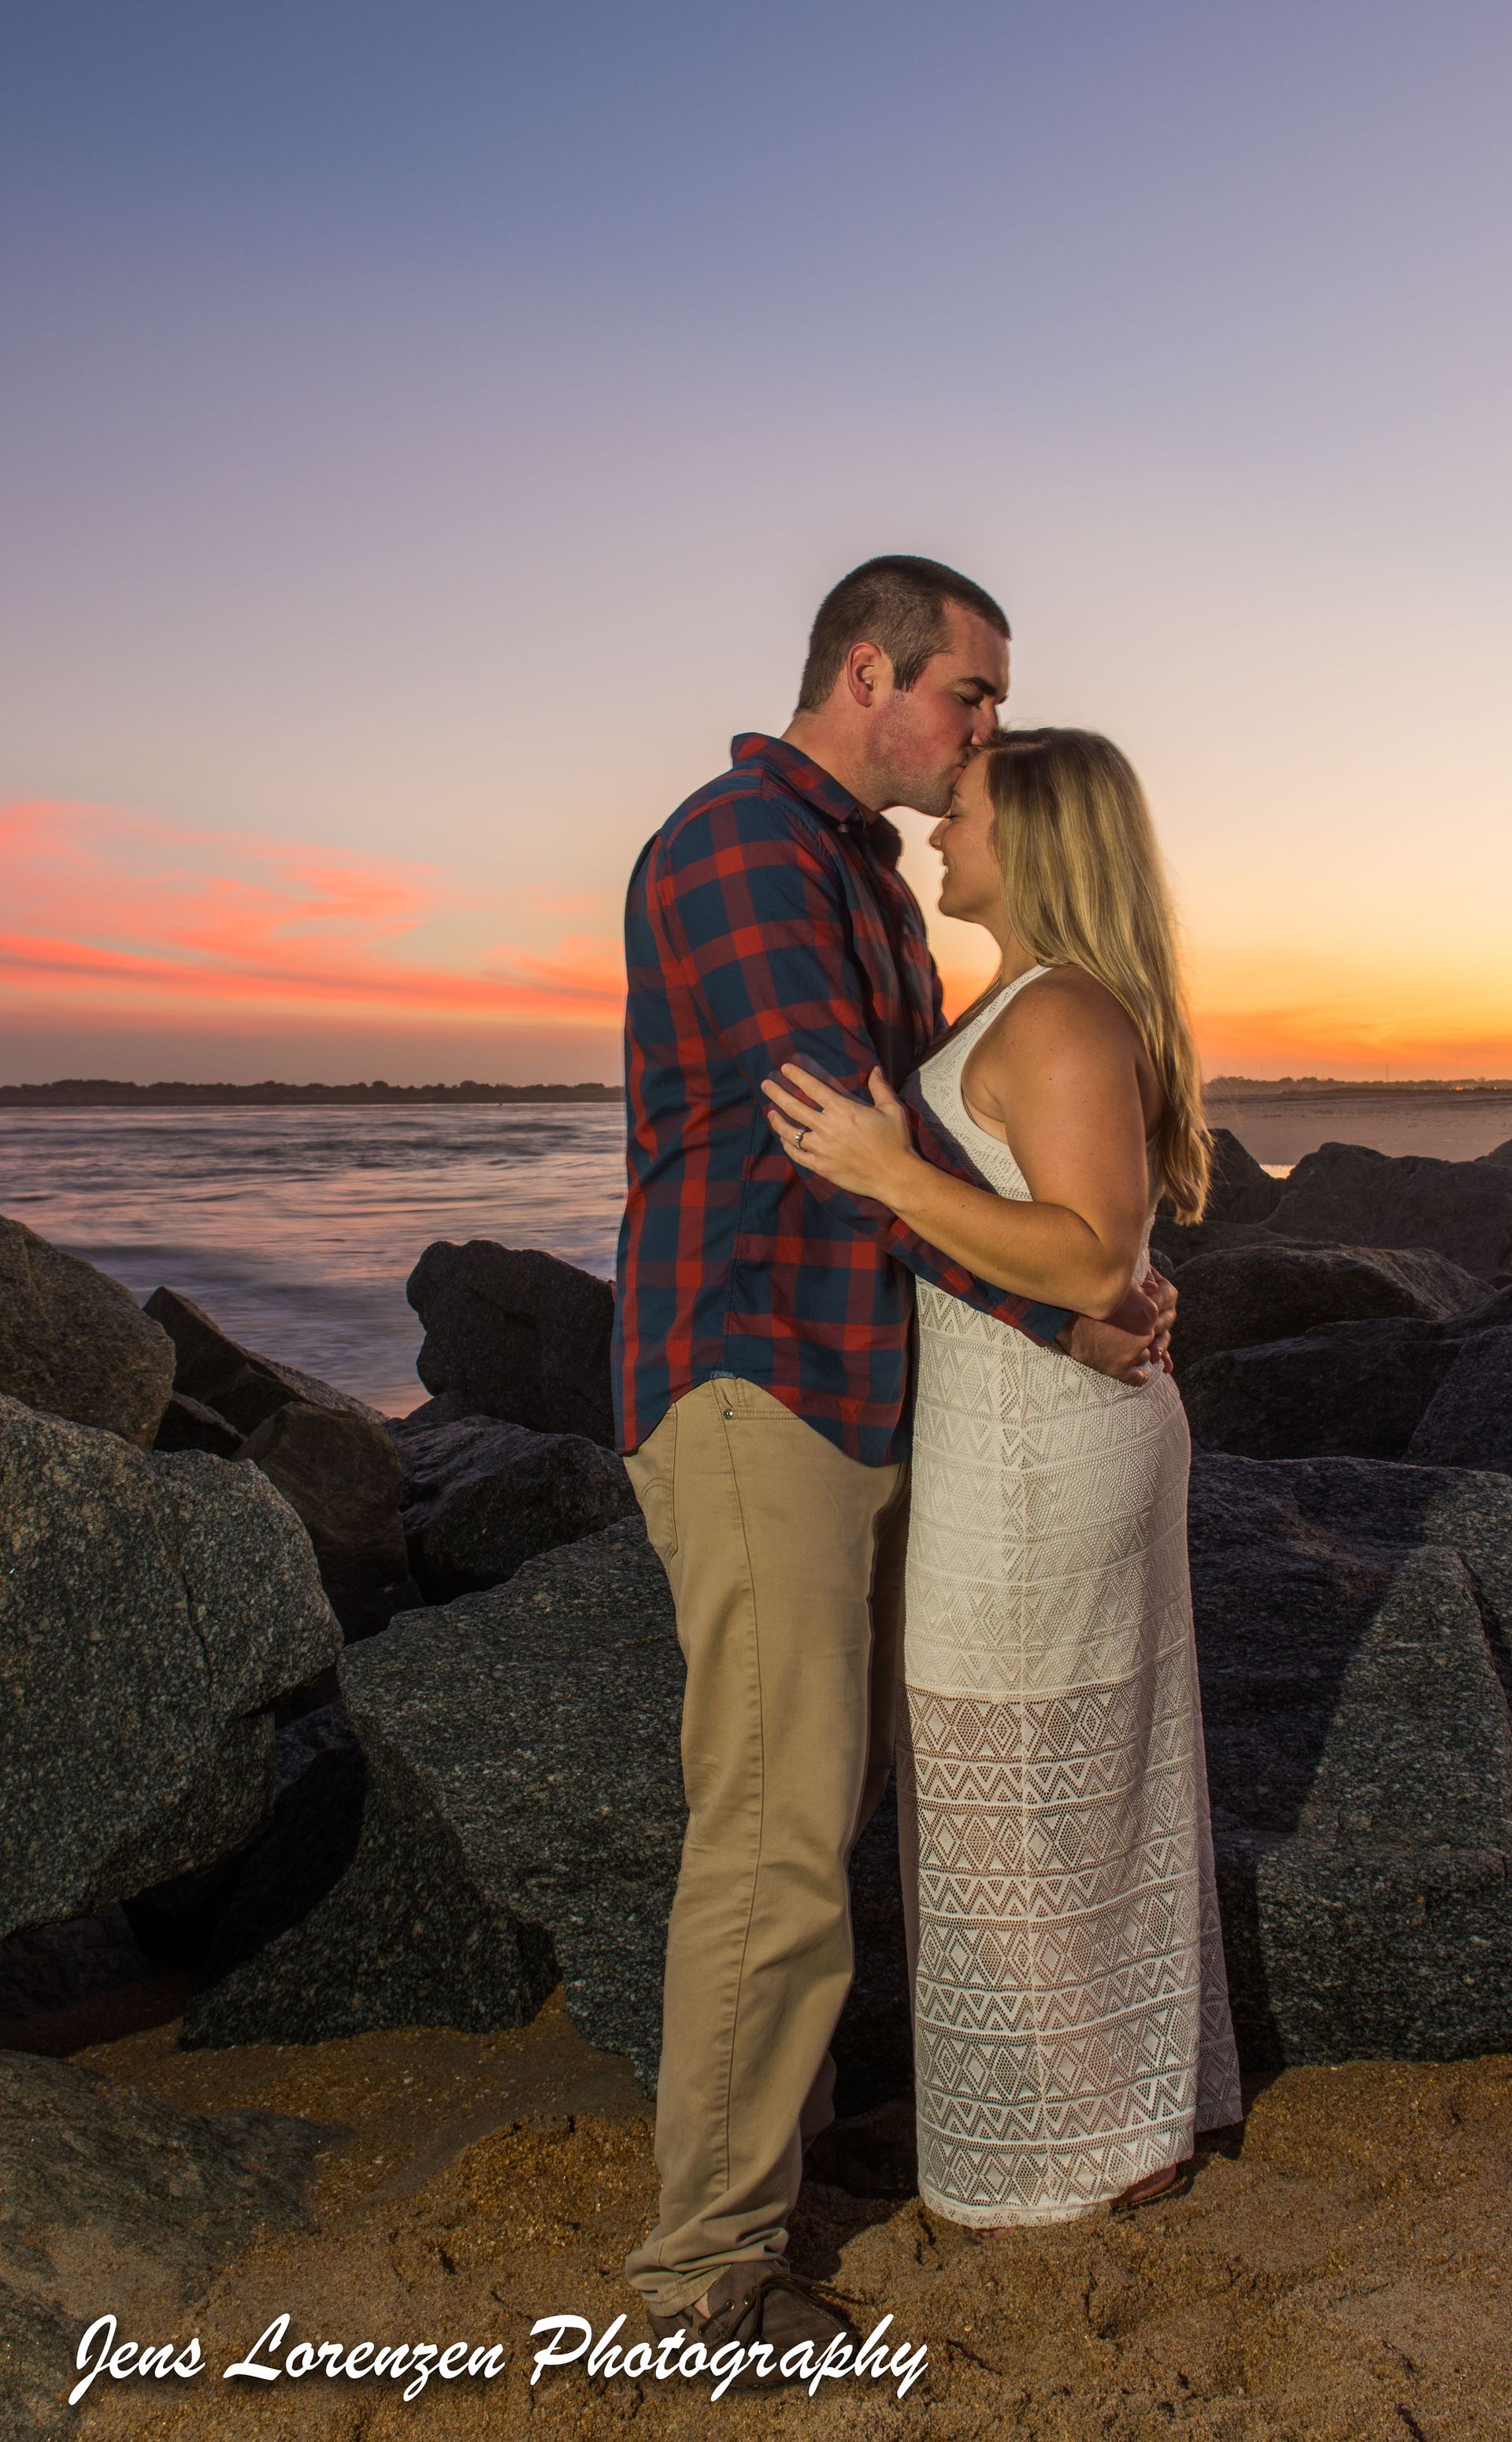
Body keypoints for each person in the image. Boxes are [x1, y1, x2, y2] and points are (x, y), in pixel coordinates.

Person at [612, 556, 1179, 2370]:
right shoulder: (738, 850)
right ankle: (704, 2266)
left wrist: (1077, 1281)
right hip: (757, 1372)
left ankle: (778, 2146)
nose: (986, 732)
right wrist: (1074, 1303)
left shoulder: (866, 877)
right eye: (972, 696)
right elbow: (833, 1142)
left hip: (852, 1385)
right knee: (777, 1825)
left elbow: (942, 1158)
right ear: (873, 670)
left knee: (825, 1802)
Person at [762, 726, 1242, 2228]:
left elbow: (1095, 1253)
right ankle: (1107, 2126)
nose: (935, 832)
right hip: (1020, 1435)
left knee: (1033, 1785)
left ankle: (1097, 2144)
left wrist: (889, 1168)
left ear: (1036, 839)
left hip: (1048, 1455)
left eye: (962, 811)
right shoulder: (1034, 1008)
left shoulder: (1062, 1018)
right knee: (1039, 1783)